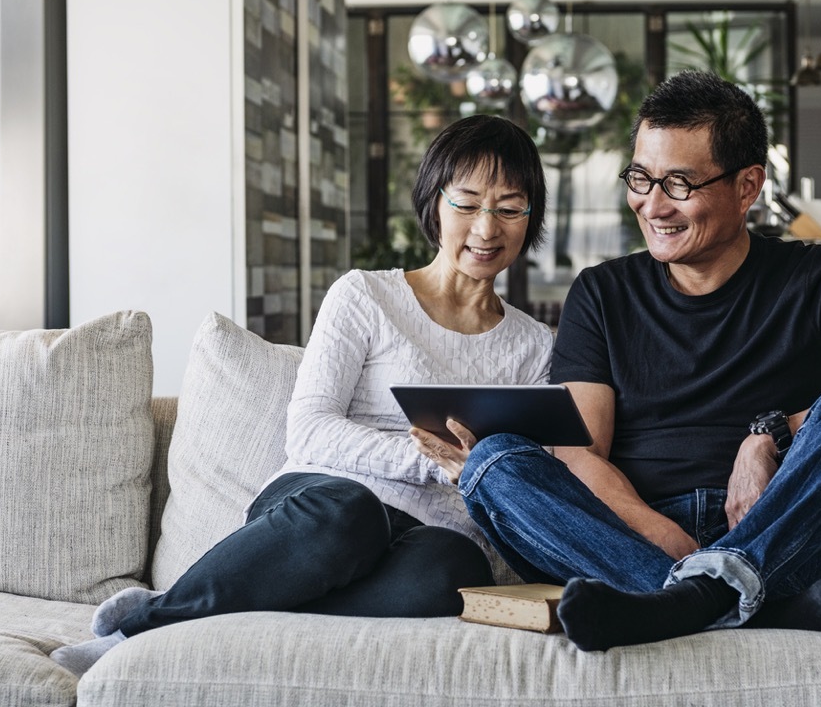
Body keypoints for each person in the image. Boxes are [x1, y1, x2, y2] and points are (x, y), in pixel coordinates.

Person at [414, 71, 821, 652]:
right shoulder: (602, 292)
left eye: (679, 183)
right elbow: (580, 451)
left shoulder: (815, 276)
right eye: (641, 178)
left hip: (778, 520)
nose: (653, 204)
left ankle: (679, 603)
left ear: (748, 187)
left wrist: (771, 434)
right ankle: (738, 600)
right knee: (492, 463)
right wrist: (660, 534)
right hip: (633, 534)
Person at [51, 114, 553, 675]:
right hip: (318, 509)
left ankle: (222, 611)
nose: (487, 228)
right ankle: (142, 630)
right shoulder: (365, 295)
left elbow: (523, 466)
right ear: (435, 203)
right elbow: (310, 428)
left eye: (509, 208)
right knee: (353, 512)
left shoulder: (535, 347)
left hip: (423, 539)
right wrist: (434, 461)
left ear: (529, 220)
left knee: (452, 569)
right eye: (467, 203)